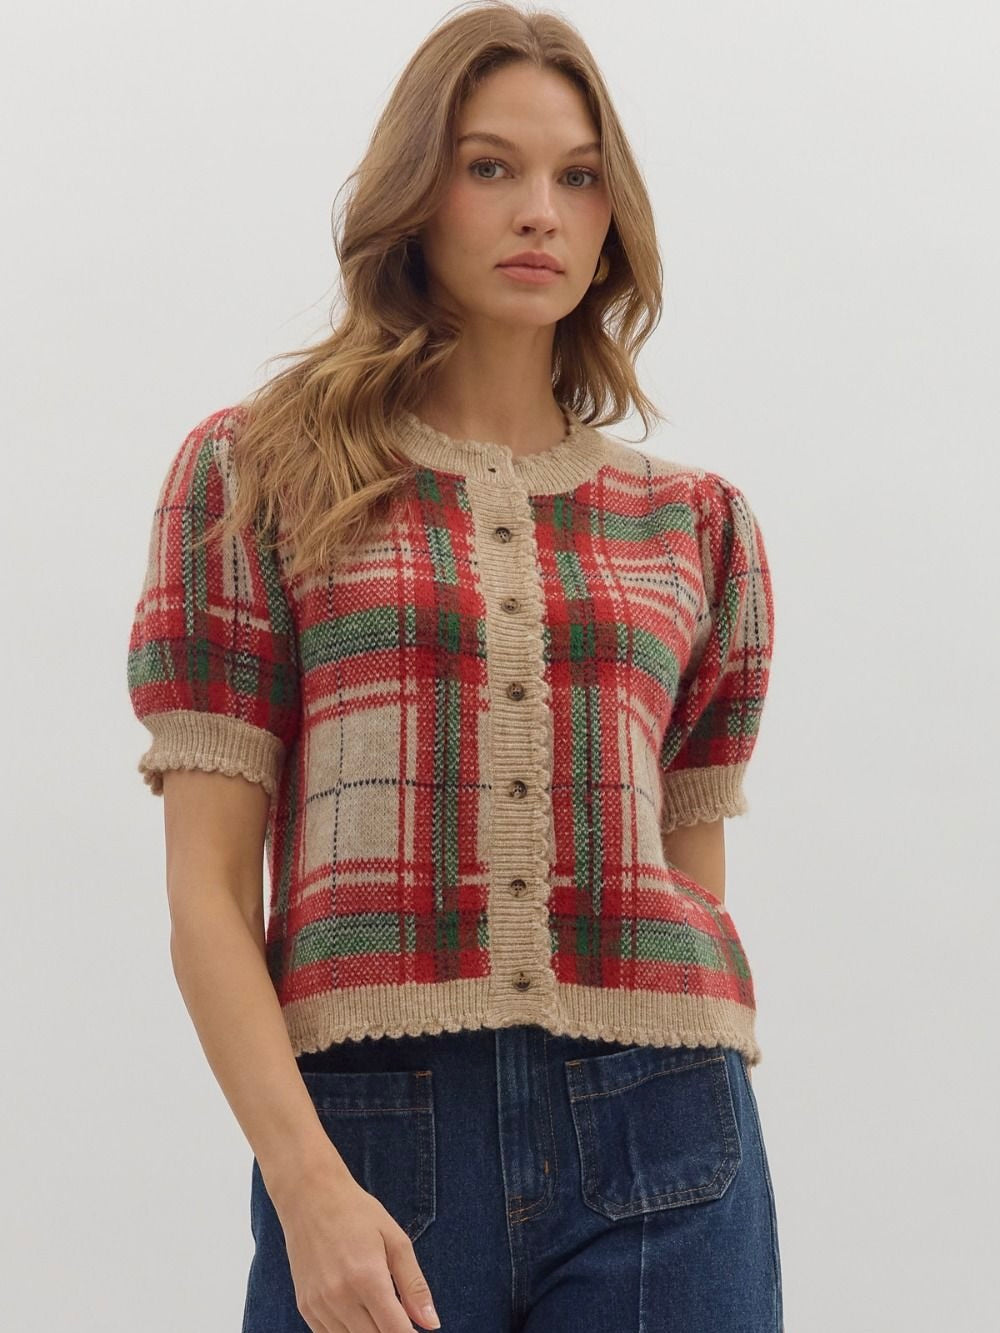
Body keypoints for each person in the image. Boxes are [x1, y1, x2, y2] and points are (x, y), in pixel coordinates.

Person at [125, 4, 783, 1330]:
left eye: (578, 176)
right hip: (372, 1137)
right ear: (417, 194)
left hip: (665, 1133)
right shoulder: (257, 476)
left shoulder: (694, 523)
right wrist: (305, 1182)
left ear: (612, 220)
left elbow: (690, 876)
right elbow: (207, 891)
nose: (540, 210)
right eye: (492, 167)